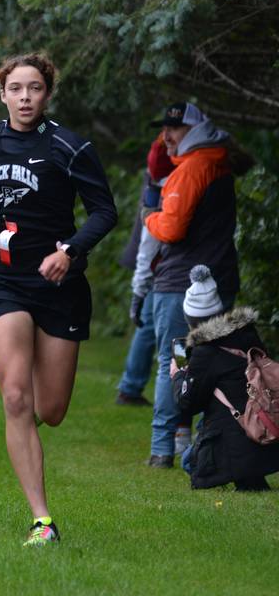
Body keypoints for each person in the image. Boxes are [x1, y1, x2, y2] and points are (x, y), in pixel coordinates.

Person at [0, 52, 117, 546]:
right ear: (3, 93)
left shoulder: (69, 147)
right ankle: (42, 520)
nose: (26, 97)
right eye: (16, 88)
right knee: (15, 396)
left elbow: (104, 211)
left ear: (47, 93)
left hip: (58, 285)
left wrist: (72, 252)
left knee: (50, 409)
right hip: (1, 280)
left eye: (35, 88)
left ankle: (25, 422)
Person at [142, 102, 249, 468]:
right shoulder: (218, 162)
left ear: (197, 131)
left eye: (175, 129)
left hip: (181, 285)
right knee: (217, 361)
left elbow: (171, 229)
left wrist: (149, 218)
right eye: (164, 129)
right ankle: (203, 445)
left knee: (174, 360)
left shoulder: (194, 168)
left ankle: (162, 449)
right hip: (222, 279)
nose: (167, 136)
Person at [172, 265, 279, 490]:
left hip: (234, 440)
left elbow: (187, 404)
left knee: (187, 462)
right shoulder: (248, 334)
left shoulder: (205, 352)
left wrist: (178, 376)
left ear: (190, 319)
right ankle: (252, 475)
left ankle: (242, 474)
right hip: (264, 429)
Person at [115, 133, 173, 406]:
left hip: (153, 263)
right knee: (151, 325)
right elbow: (152, 234)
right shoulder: (166, 173)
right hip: (159, 265)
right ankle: (132, 386)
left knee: (148, 324)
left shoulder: (157, 169)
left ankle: (131, 386)